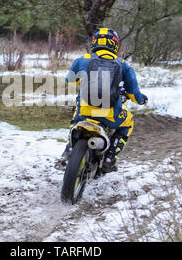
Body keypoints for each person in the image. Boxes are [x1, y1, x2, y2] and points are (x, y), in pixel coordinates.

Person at [62, 27, 148, 173]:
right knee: (128, 122)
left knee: (77, 112)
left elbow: (70, 80)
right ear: (115, 44)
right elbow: (134, 93)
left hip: (85, 112)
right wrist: (142, 100)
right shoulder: (123, 65)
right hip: (110, 116)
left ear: (94, 42)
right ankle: (109, 159)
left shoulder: (83, 59)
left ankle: (69, 148)